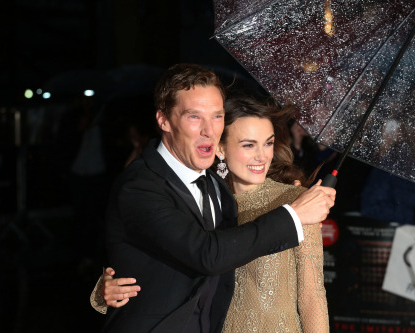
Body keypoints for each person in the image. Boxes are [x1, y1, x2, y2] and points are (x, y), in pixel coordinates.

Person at [97, 63, 335, 332]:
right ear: (163, 120)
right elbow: (206, 254)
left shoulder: (213, 185)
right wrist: (294, 215)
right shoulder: (140, 186)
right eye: (194, 117)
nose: (208, 129)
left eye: (217, 116)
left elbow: (312, 296)